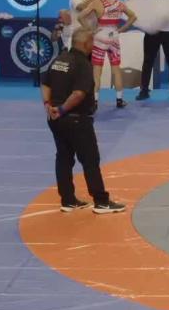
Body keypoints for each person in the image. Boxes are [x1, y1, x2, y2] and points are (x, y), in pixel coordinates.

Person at [41, 28, 126, 215]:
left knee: (63, 158)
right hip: (76, 119)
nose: (94, 46)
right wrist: (62, 109)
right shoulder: (83, 65)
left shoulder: (59, 59)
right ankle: (101, 201)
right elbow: (79, 94)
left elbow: (45, 83)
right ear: (86, 43)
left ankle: (68, 200)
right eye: (92, 43)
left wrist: (48, 105)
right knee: (90, 160)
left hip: (55, 120)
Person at [83, 0, 137, 108]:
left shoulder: (97, 3)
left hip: (100, 36)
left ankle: (95, 102)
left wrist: (90, 30)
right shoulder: (119, 3)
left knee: (97, 72)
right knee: (116, 70)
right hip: (114, 36)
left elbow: (80, 17)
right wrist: (122, 29)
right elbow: (133, 17)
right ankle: (119, 100)